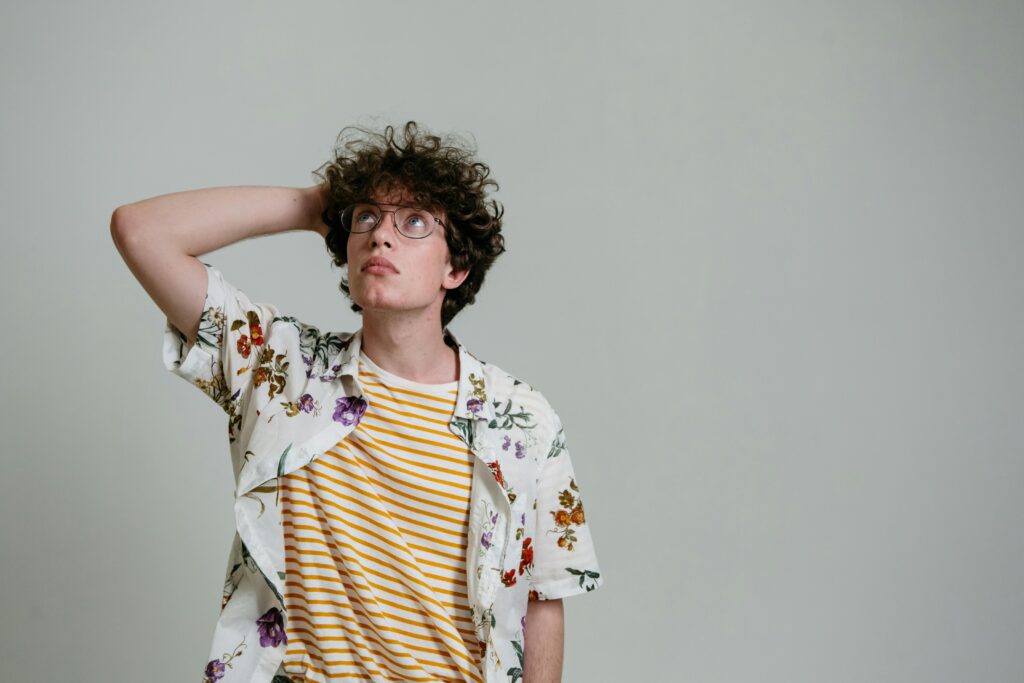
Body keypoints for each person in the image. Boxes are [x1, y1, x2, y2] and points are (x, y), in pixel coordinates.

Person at [111, 121, 604, 683]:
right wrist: (314, 205)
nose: (382, 235)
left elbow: (542, 599)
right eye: (366, 218)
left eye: (414, 221)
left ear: (456, 268)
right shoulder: (280, 368)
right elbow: (139, 230)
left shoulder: (521, 419)